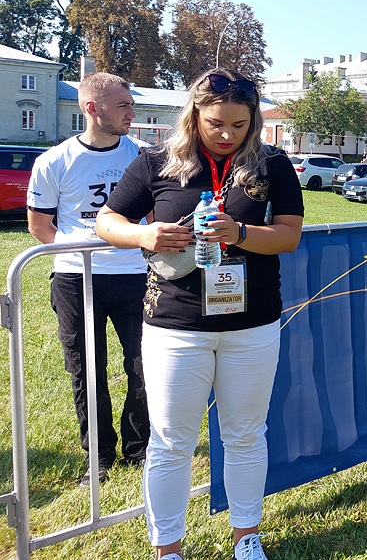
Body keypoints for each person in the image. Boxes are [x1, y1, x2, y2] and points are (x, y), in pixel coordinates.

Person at [96, 69, 304, 560]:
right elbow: (107, 220)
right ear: (194, 116)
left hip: (252, 325)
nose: (228, 134)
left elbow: (290, 235)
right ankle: (168, 550)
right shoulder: (155, 162)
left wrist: (241, 234)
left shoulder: (272, 164)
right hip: (175, 326)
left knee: (246, 434)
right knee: (171, 442)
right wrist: (144, 236)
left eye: (239, 124)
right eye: (216, 124)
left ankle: (246, 539)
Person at [26, 72, 150, 487]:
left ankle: (140, 449)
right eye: (124, 106)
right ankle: (98, 455)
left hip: (136, 277)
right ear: (91, 109)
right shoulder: (54, 161)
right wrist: (76, 259)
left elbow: (154, 218)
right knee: (86, 371)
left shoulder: (143, 157)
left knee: (145, 365)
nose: (132, 113)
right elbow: (39, 225)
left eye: (132, 104)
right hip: (76, 282)